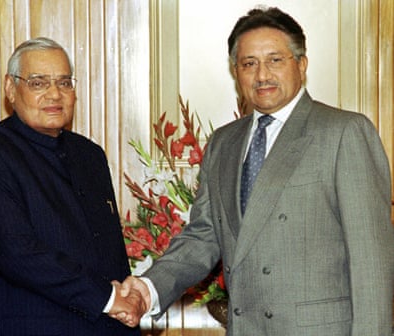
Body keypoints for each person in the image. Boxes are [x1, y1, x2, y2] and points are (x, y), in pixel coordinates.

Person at [114, 6, 394, 336]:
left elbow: (372, 263)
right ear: (236, 72)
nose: (262, 75)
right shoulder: (223, 143)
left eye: (275, 60)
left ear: (301, 65)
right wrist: (149, 289)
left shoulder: (343, 132)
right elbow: (205, 235)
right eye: (249, 64)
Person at [0, 37, 144, 335]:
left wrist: (127, 299)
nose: (55, 94)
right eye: (38, 83)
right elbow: (17, 252)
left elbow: (110, 255)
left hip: (105, 325)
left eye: (65, 82)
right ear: (10, 89)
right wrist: (109, 300)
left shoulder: (90, 155)